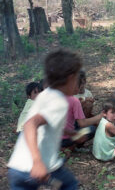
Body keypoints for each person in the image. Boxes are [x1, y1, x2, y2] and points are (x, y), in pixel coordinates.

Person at [7, 49, 81, 190]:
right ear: (71, 78)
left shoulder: (45, 94)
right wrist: (37, 161)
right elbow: (30, 124)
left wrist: (70, 133)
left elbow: (47, 123)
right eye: (77, 78)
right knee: (70, 184)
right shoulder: (59, 101)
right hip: (35, 168)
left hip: (17, 168)